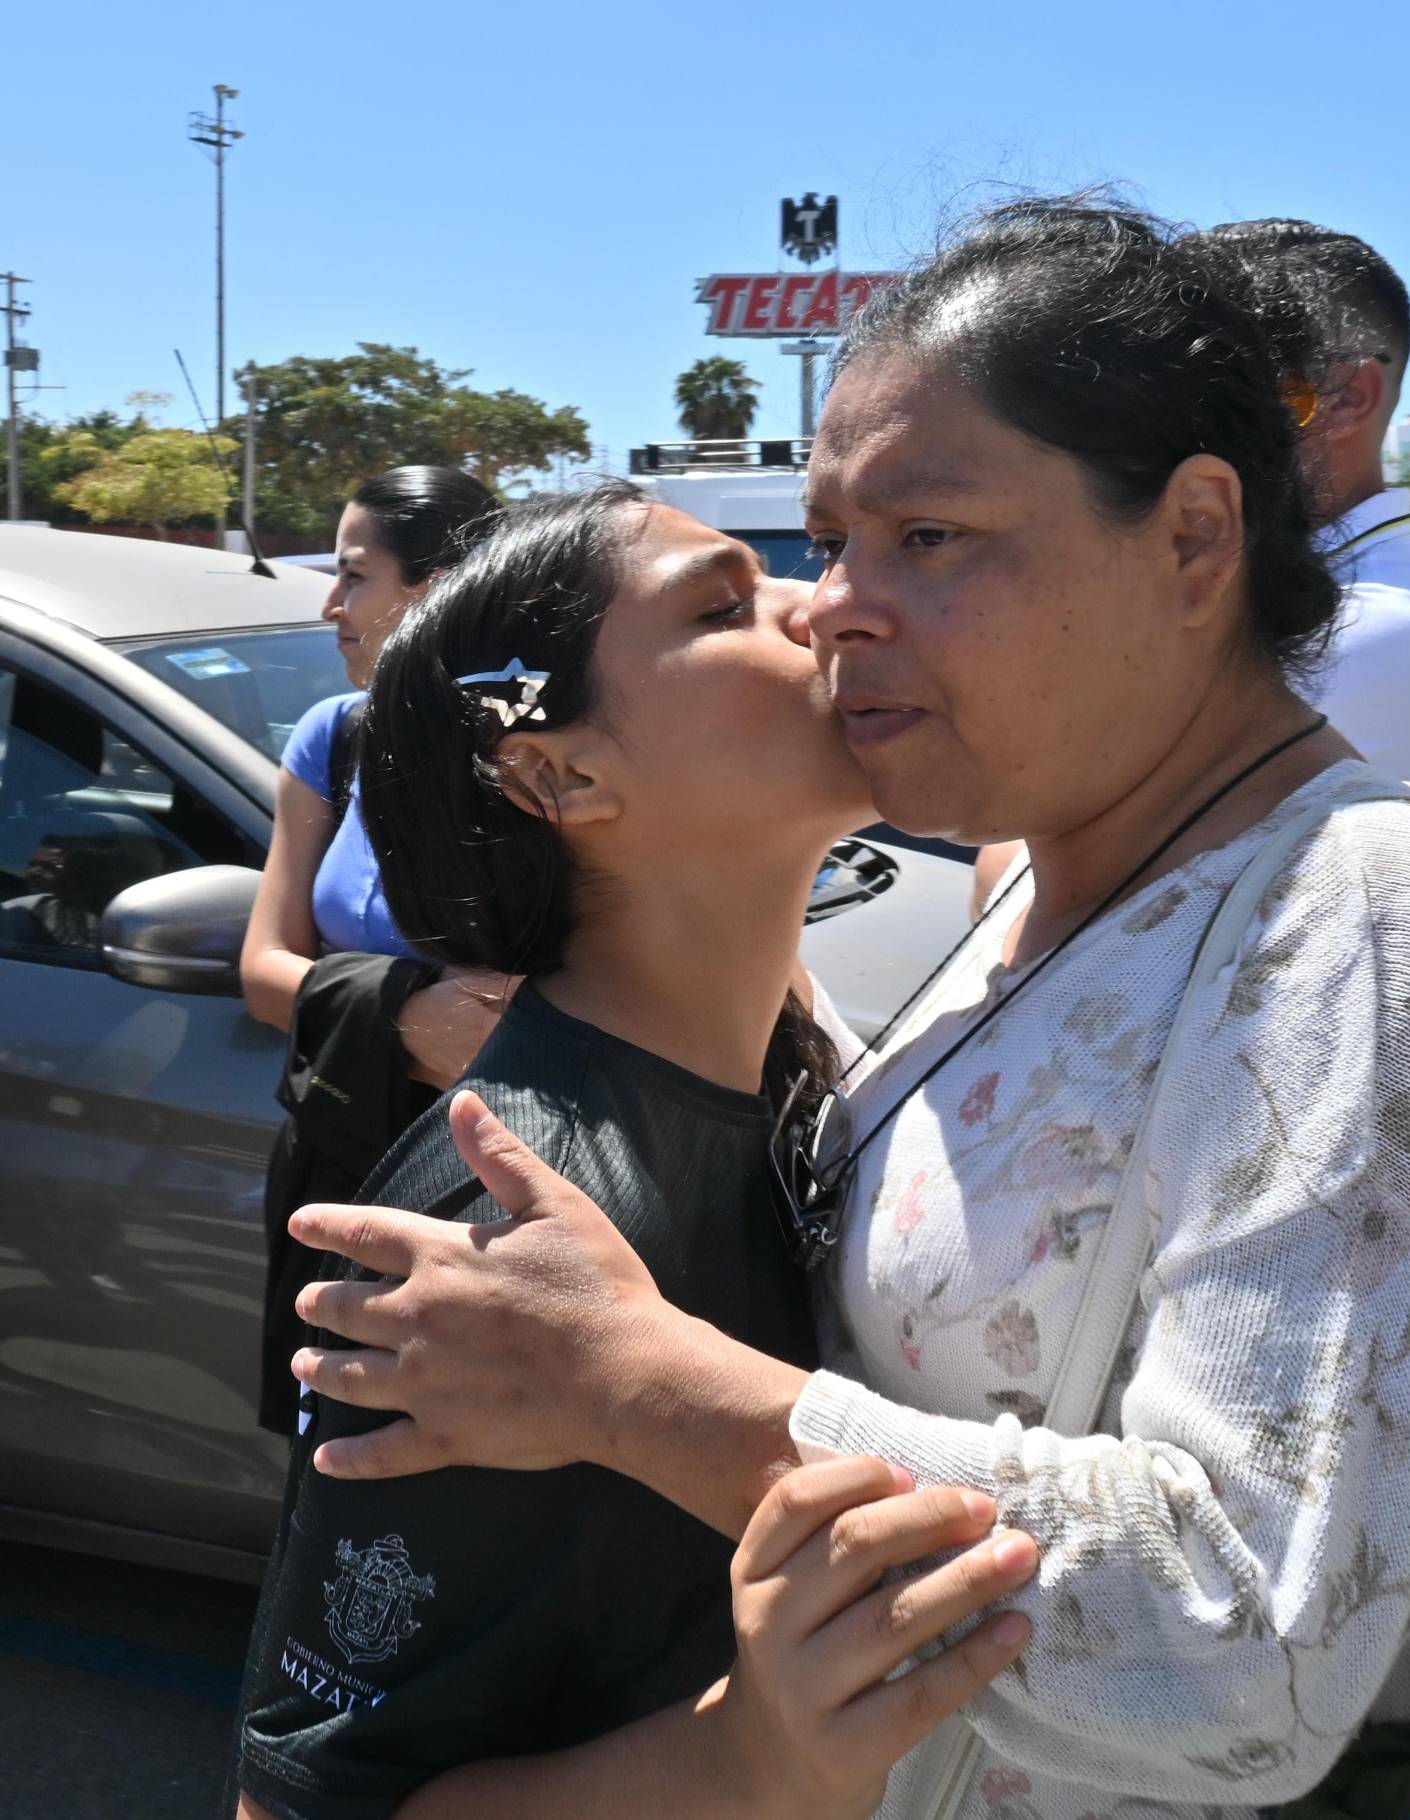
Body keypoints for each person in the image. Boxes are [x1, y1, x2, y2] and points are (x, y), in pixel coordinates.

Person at [284, 198, 1410, 1820]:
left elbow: (1240, 1655)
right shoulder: (1049, 896)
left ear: (1194, 538)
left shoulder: (1385, 934)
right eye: (832, 542)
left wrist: (635, 1388)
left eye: (929, 537)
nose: (834, 607)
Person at [229, 485, 1039, 1820]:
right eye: (726, 604)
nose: (824, 607)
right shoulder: (510, 1225)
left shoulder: (795, 1081)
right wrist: (748, 1759)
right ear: (560, 775)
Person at [239, 465, 503, 1432]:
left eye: (354, 576)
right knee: (332, 1447)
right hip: (343, 1155)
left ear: (437, 590)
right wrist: (406, 1016)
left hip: (492, 1182)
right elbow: (264, 970)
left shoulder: (543, 755)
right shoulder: (333, 740)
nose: (330, 606)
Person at [1197, 219, 1410, 822]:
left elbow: (1109, 869)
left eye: (1218, 393)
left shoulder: (1365, 633)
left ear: (1347, 397)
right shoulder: (1342, 602)